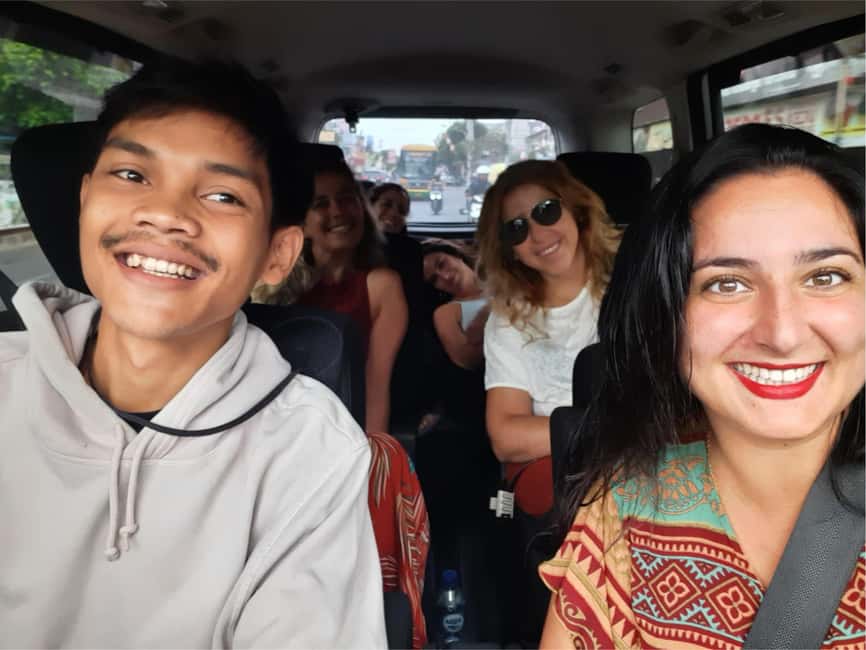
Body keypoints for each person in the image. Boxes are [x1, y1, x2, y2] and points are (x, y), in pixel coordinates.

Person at [0, 61, 386, 647]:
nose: (166, 214)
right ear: (84, 200)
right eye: (132, 174)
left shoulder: (311, 450)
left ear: (277, 255)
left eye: (223, 195)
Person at [540, 124, 865, 649]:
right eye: (726, 283)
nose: (782, 334)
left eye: (825, 276)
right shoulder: (626, 509)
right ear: (665, 316)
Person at [255, 159, 430, 648]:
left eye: (347, 199)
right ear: (301, 221)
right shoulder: (267, 282)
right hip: (268, 439)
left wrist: (363, 465)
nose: (338, 212)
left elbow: (375, 384)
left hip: (343, 438)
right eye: (321, 203)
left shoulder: (381, 284)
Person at [476, 159, 620, 518]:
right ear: (510, 249)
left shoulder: (632, 283)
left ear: (576, 210)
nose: (538, 235)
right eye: (517, 228)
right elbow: (506, 436)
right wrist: (615, 431)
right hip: (558, 465)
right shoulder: (509, 319)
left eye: (546, 211)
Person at [369, 182, 433, 429]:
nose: (394, 213)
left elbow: (415, 306)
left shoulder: (410, 250)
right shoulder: (352, 247)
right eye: (386, 205)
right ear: (370, 206)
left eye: (401, 210)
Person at [422, 239, 489, 370]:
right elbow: (467, 360)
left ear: (456, 254)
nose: (445, 276)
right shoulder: (445, 312)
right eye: (434, 279)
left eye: (442, 264)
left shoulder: (504, 279)